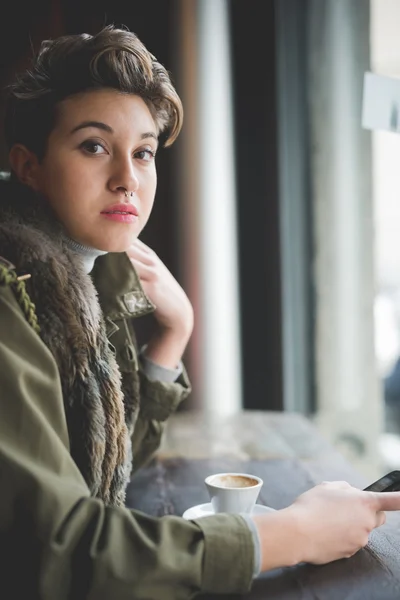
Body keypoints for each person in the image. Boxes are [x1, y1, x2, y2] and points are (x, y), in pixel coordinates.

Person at [1, 24, 400, 600]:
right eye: (94, 146)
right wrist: (289, 534)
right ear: (30, 165)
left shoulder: (81, 279)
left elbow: (96, 473)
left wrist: (173, 336)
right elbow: (64, 550)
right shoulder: (15, 297)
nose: (127, 179)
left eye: (143, 152)